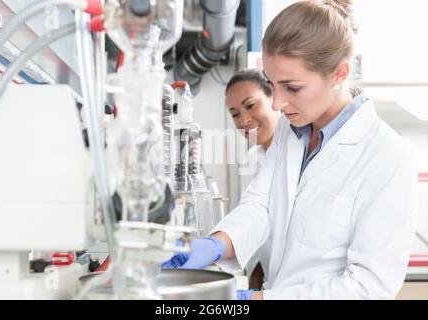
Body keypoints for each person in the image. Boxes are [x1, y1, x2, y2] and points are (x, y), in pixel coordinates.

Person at [162, 0, 417, 300]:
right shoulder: (290, 130)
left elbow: (367, 288)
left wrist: (253, 300)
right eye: (272, 85)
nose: (277, 104)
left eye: (292, 87)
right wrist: (218, 243)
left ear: (339, 73)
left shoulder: (387, 156)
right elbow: (261, 206)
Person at [225, 69, 278, 290]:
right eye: (235, 114)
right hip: (269, 285)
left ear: (274, 97)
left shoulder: (301, 154)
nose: (244, 120)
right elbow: (255, 225)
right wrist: (253, 286)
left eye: (251, 105)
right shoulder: (251, 160)